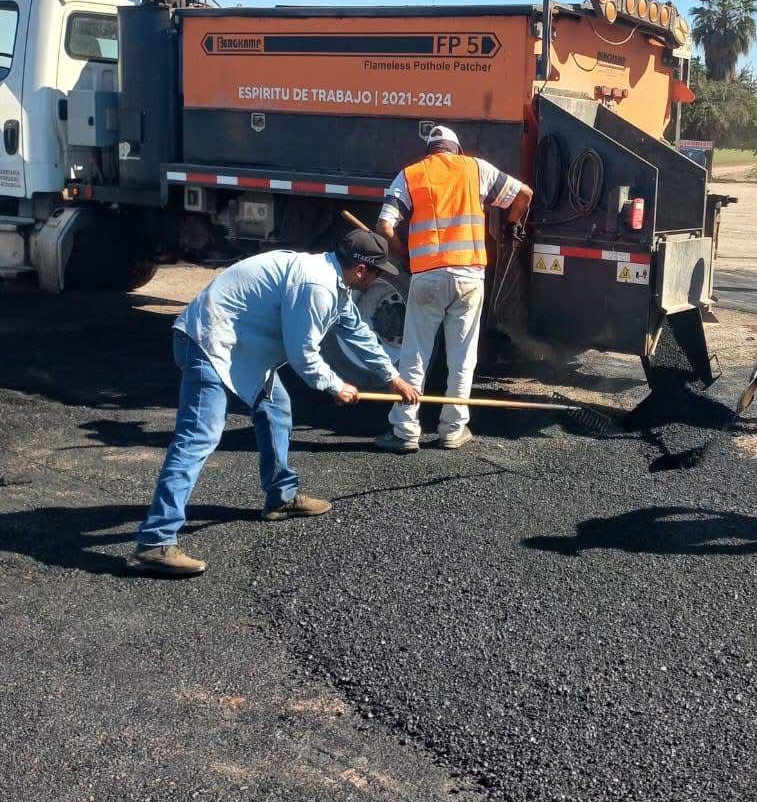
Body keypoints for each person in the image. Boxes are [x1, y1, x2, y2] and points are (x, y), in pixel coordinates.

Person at [129, 229, 420, 578]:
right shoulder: (317, 285)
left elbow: (356, 331)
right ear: (360, 271)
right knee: (198, 438)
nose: (376, 279)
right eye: (376, 272)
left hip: (244, 347)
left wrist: (392, 377)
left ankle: (280, 497)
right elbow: (303, 354)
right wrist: (335, 386)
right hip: (210, 341)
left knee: (276, 408)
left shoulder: (334, 283)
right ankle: (155, 541)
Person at [374, 125, 533, 452]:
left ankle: (405, 431)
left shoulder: (411, 175)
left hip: (427, 276)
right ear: (455, 149)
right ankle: (453, 429)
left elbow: (384, 226)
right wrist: (512, 225)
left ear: (431, 151)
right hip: (469, 277)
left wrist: (403, 254)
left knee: (415, 354)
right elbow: (524, 194)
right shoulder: (476, 168)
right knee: (462, 357)